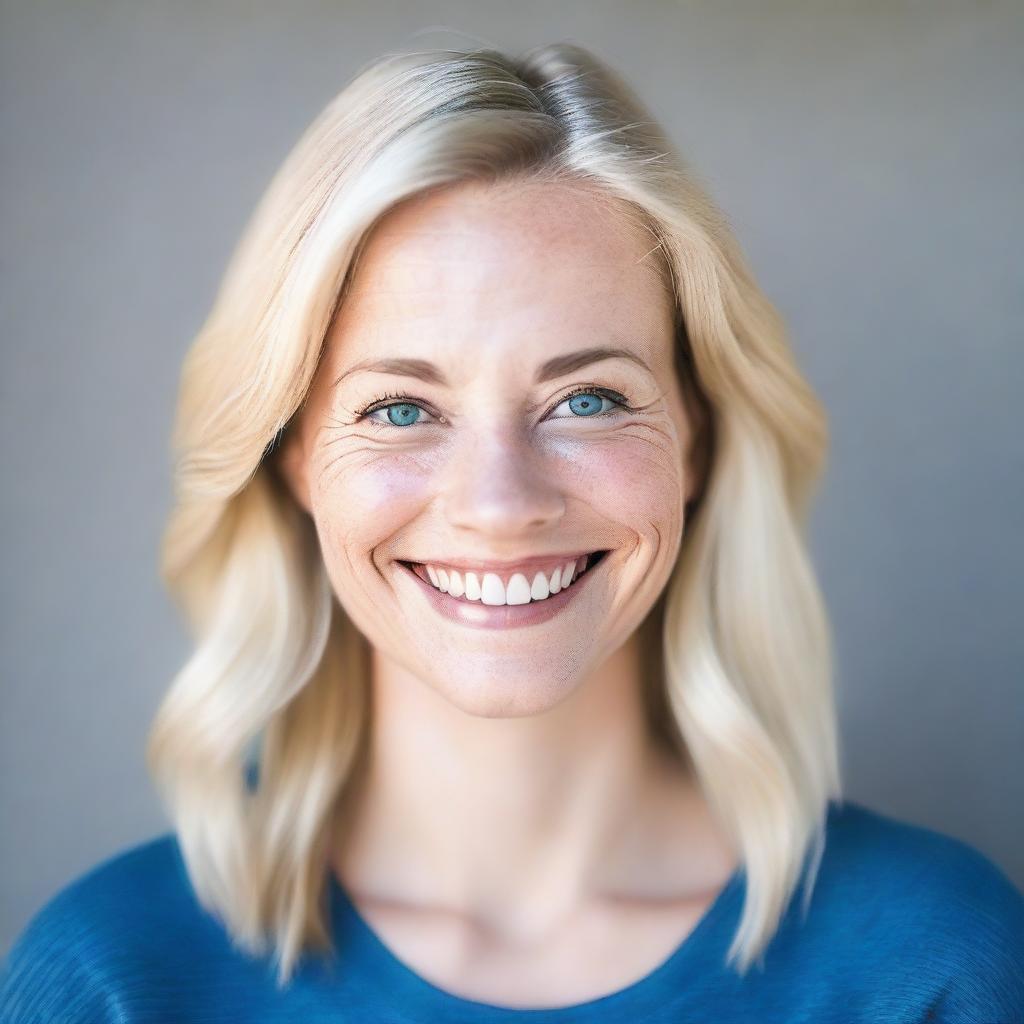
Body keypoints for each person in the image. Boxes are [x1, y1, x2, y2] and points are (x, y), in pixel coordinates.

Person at [2, 41, 1022, 1024]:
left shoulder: (931, 968)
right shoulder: (115, 981)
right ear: (295, 458)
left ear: (696, 440)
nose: (499, 503)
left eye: (585, 399)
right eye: (400, 408)